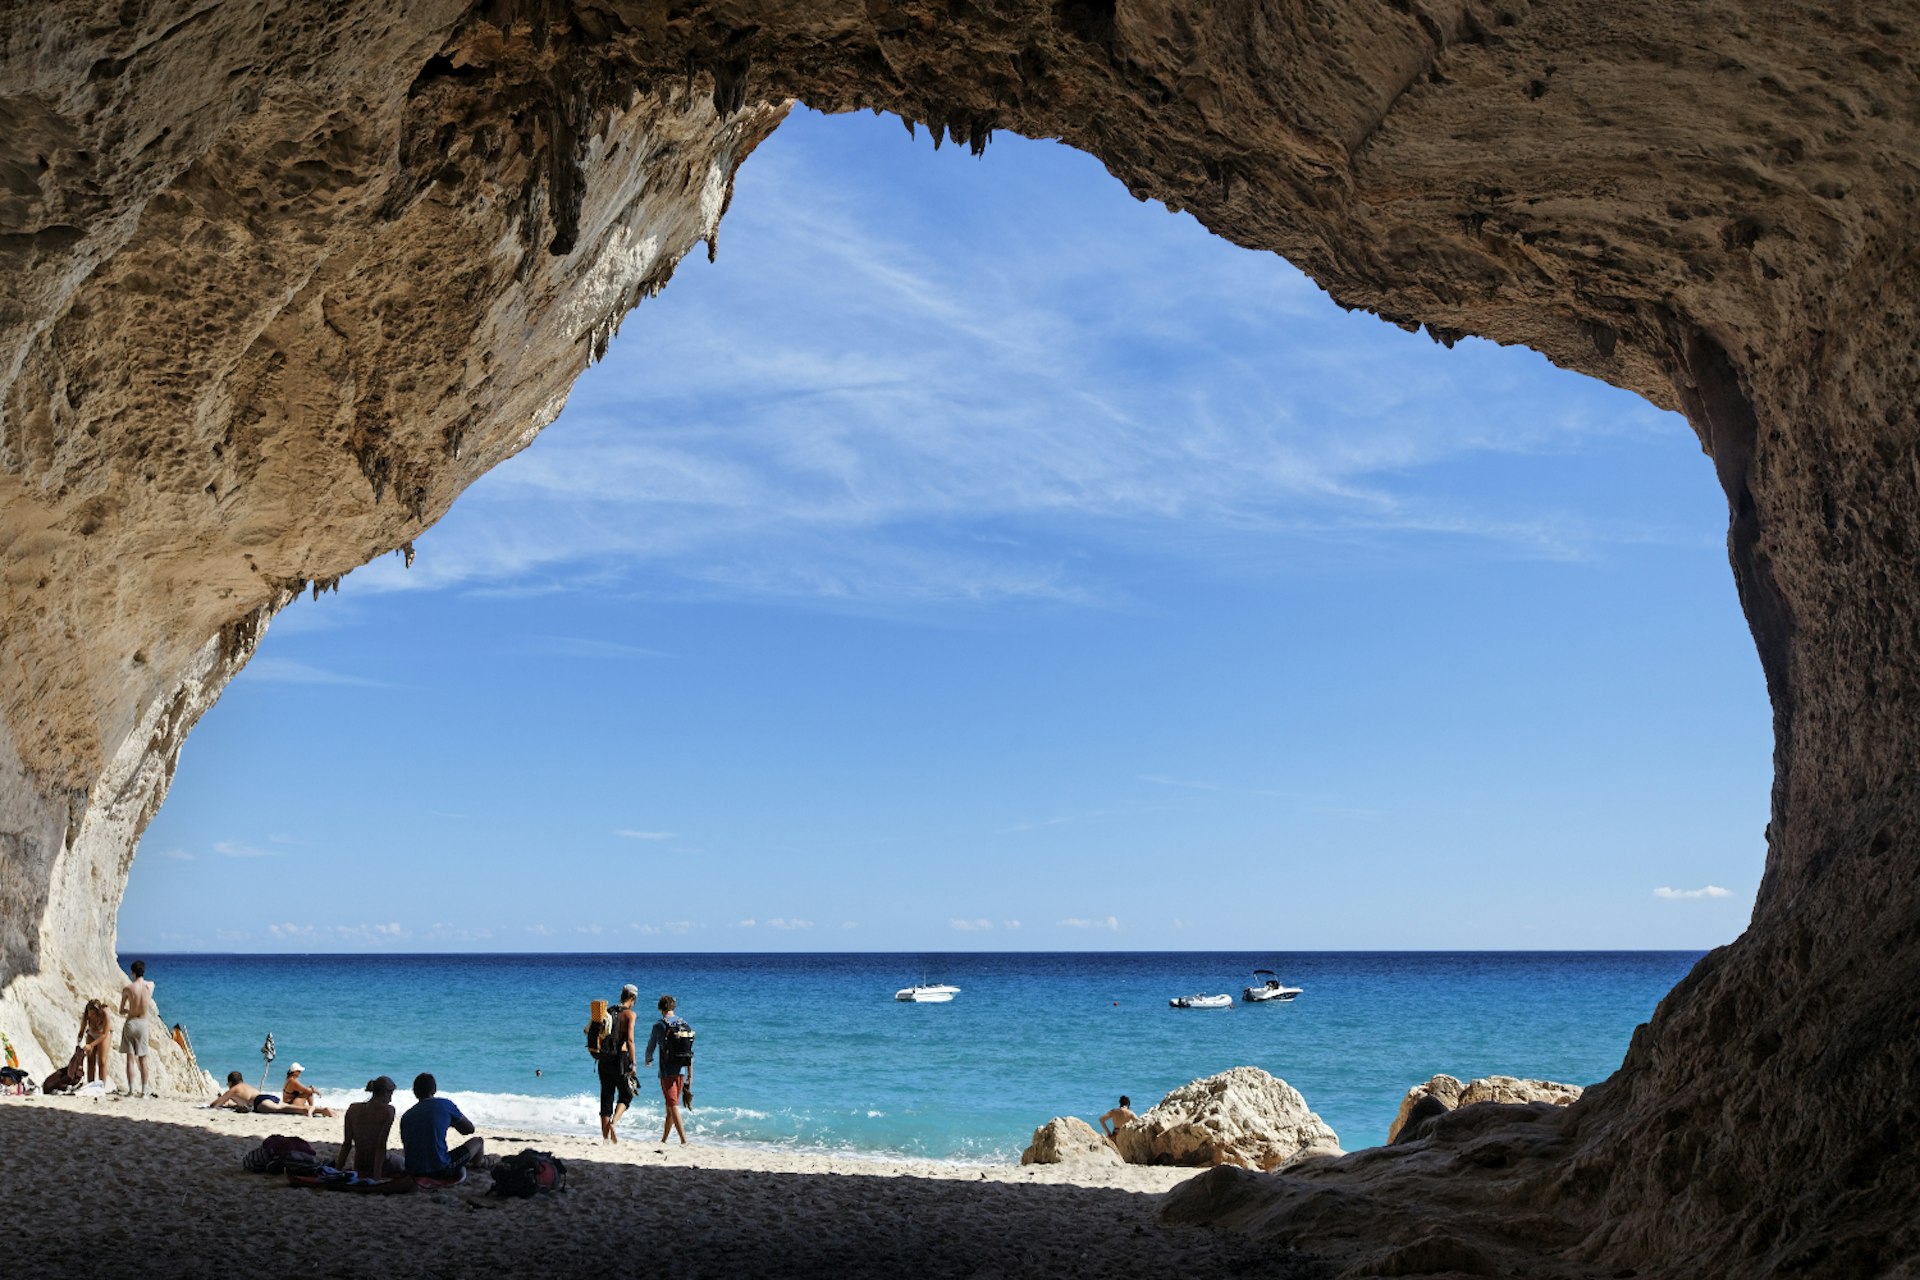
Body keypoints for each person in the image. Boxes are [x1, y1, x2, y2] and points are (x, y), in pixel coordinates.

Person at [399, 1072, 484, 1177]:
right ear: (434, 1090)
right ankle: (478, 1165)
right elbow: (469, 1129)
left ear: (415, 1092)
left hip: (413, 1170)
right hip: (439, 1168)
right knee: (478, 1141)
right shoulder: (445, 1105)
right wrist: (450, 1121)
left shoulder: (406, 1116)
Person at [643, 993, 689, 1145]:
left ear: (660, 1008)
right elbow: (689, 1049)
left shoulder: (659, 1025)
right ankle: (664, 1140)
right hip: (682, 1070)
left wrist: (648, 1059)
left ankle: (683, 1140)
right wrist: (690, 1074)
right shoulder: (684, 1023)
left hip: (667, 1071)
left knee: (673, 1105)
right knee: (670, 1106)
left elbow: (651, 1045)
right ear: (673, 1007)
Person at [338, 1075, 405, 1176]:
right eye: (390, 1094)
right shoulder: (388, 1111)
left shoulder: (352, 1108)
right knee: (402, 1162)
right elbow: (380, 1146)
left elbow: (347, 1144)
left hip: (359, 1164)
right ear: (385, 1093)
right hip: (379, 1165)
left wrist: (337, 1170)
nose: (390, 1100)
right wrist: (376, 1177)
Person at [598, 984, 639, 1142]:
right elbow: (629, 1040)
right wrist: (633, 1063)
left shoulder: (608, 1011)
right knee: (627, 1094)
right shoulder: (629, 1014)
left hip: (604, 1059)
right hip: (620, 1059)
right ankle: (614, 1124)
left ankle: (605, 1139)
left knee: (606, 1096)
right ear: (633, 998)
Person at [207, 1070, 336, 1116]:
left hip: (260, 1102)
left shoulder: (233, 1089)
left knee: (287, 1109)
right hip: (267, 1097)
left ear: (230, 1082)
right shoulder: (246, 1086)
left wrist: (211, 1104)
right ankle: (322, 1110)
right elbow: (237, 1103)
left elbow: (216, 1104)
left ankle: (313, 1110)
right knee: (288, 1108)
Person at [118, 959, 154, 1096]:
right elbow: (149, 989)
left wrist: (129, 1010)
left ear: (132, 973)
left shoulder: (127, 989)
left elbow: (121, 1010)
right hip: (143, 1023)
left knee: (130, 1058)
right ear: (143, 972)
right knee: (143, 1059)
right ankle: (144, 1092)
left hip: (131, 1022)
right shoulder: (149, 986)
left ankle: (131, 1090)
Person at [79, 999, 111, 1085]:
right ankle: (91, 1084)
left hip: (103, 1034)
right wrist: (79, 1042)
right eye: (90, 1013)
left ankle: (102, 1085)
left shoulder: (105, 1015)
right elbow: (82, 1030)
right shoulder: (86, 1015)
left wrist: (91, 1045)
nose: (91, 1016)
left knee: (102, 1061)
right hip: (92, 1033)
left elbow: (104, 1034)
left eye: (93, 1014)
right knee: (90, 1060)